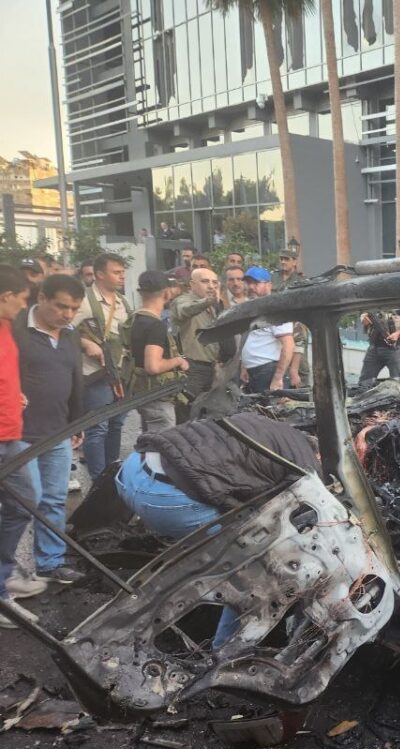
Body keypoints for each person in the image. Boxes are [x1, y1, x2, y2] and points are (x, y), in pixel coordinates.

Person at [114, 413, 320, 647]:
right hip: (165, 500)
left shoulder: (269, 427)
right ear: (318, 453)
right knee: (256, 566)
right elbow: (300, 526)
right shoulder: (306, 464)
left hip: (130, 472)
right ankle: (226, 650)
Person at [11, 273, 87, 587]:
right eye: (61, 306)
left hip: (59, 431)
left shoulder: (70, 334)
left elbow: (75, 378)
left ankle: (50, 563)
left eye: (74, 308)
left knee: (54, 500)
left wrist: (77, 420)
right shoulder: (15, 329)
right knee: (23, 503)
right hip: (20, 435)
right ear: (42, 298)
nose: (68, 314)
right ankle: (10, 571)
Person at [0, 264, 44, 627]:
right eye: (22, 299)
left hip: (10, 436)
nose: (23, 306)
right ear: (6, 297)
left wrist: (15, 394)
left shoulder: (6, 327)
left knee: (23, 503)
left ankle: (2, 575)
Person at [74, 253, 129, 480]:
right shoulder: (84, 301)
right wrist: (85, 343)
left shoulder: (122, 301)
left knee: (116, 425)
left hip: (120, 374)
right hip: (95, 374)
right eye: (116, 272)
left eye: (122, 272)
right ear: (99, 274)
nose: (122, 276)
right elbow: (64, 330)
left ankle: (111, 478)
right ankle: (98, 481)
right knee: (98, 428)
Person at [122, 270, 188, 434]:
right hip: (158, 396)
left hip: (141, 392)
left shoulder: (134, 319)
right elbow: (153, 366)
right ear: (166, 293)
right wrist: (178, 361)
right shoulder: (155, 325)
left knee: (149, 441)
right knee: (163, 442)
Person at [170, 263, 222, 421]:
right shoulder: (183, 301)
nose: (211, 286)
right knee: (187, 416)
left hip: (210, 368)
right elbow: (185, 310)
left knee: (205, 417)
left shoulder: (212, 305)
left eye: (214, 282)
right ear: (192, 284)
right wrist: (207, 301)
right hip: (191, 368)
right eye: (205, 281)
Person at [240, 266, 294, 393]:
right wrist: (244, 367)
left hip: (269, 371)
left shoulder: (275, 309)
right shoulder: (250, 309)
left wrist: (278, 377)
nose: (251, 287)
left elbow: (288, 345)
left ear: (269, 285)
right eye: (248, 283)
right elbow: (250, 339)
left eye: (256, 283)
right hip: (253, 372)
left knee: (271, 405)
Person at [358, 308, 400, 383]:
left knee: (395, 382)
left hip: (394, 348)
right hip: (374, 348)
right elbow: (363, 312)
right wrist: (363, 317)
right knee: (364, 382)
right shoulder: (371, 302)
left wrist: (398, 333)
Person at [275, 250, 308, 386]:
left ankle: (304, 393)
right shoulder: (273, 278)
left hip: (297, 326)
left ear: (294, 261)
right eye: (281, 259)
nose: (283, 262)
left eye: (286, 259)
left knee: (301, 368)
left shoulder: (302, 281)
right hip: (276, 326)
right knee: (279, 362)